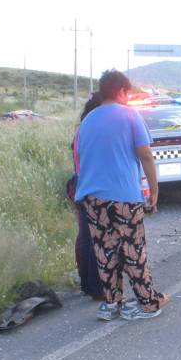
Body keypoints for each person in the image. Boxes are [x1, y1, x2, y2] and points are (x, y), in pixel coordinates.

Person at [75, 69, 169, 320]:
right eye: (127, 93)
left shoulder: (88, 121)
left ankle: (111, 303)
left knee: (105, 251)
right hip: (124, 196)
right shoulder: (130, 115)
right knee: (133, 249)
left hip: (92, 196)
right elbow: (145, 154)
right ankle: (148, 304)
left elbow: (82, 157)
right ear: (120, 91)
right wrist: (154, 190)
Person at [71, 92, 105, 300]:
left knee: (85, 237)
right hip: (90, 185)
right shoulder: (92, 131)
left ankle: (88, 284)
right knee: (94, 238)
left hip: (80, 185)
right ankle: (97, 287)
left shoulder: (81, 129)